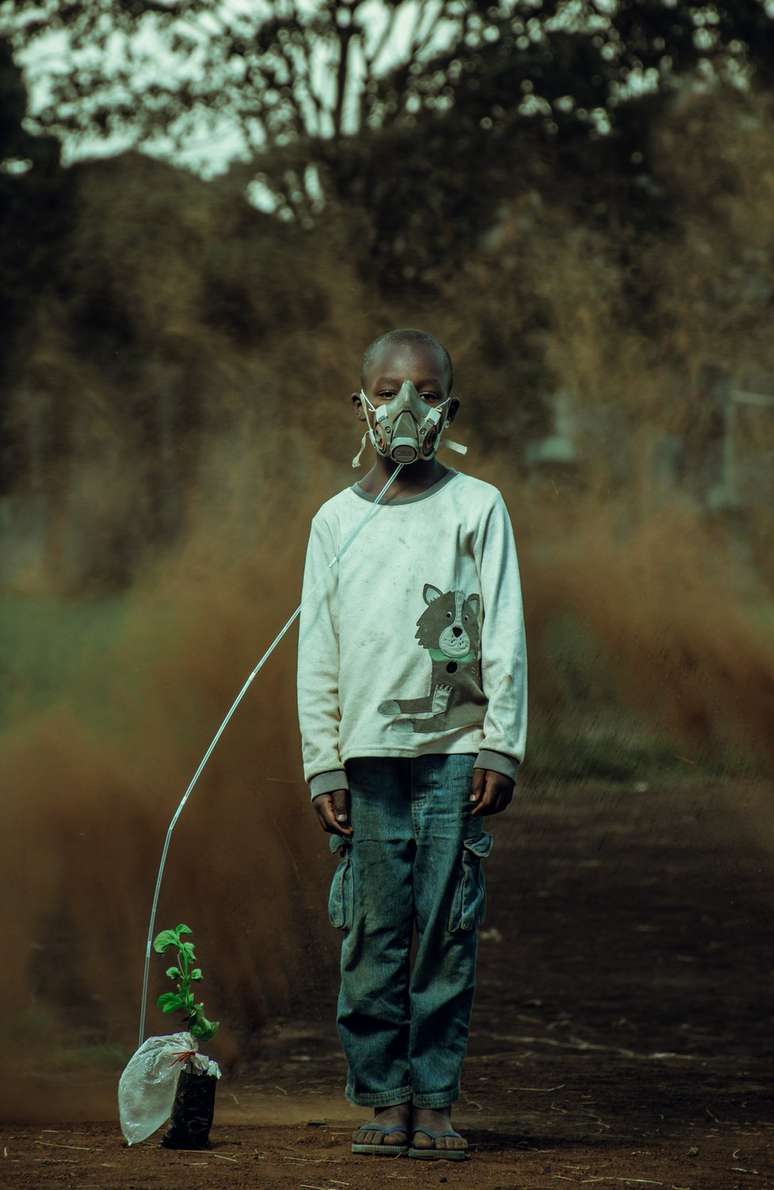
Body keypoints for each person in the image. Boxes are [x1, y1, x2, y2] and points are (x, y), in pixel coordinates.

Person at [296, 328, 527, 1160]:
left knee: (444, 933)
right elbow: (315, 652)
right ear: (360, 404)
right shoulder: (334, 523)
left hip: (453, 759)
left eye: (426, 394)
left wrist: (499, 745)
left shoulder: (478, 509)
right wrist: (323, 758)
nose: (406, 408)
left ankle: (435, 1099)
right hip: (366, 767)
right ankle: (383, 1096)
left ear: (449, 410)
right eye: (389, 390)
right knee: (372, 933)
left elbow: (502, 630)